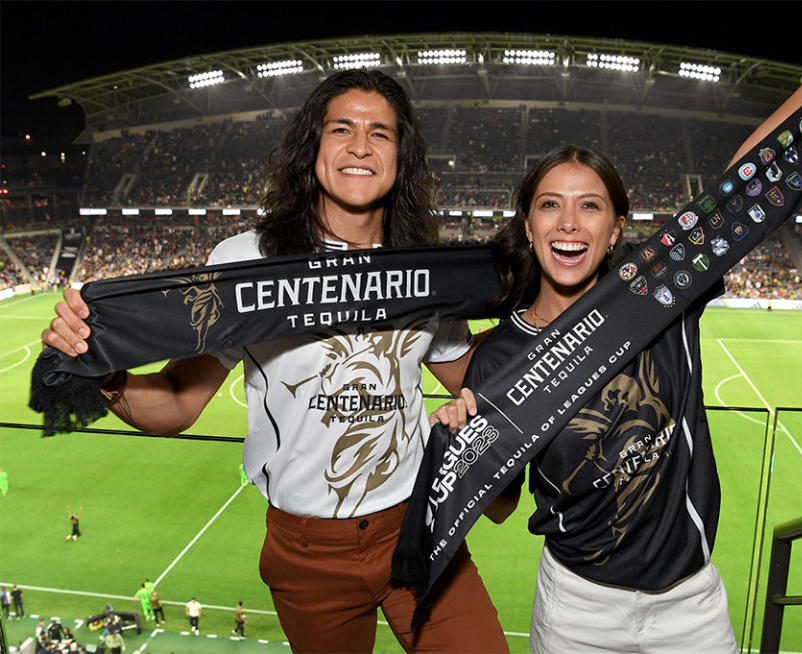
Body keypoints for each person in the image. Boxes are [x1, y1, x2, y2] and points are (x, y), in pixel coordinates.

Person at [430, 21, 802, 654]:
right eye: (550, 205)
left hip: (691, 606)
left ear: (615, 228)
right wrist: (457, 445)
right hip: (576, 608)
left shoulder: (657, 293)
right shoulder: (497, 355)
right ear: (528, 225)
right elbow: (498, 506)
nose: (569, 222)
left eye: (590, 206)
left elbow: (743, 188)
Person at [41, 68, 507, 654]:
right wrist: (103, 368)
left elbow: (470, 374)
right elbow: (179, 405)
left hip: (419, 525)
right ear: (312, 146)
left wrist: (547, 319)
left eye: (381, 133)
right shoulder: (246, 261)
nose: (360, 146)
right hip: (307, 553)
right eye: (342, 129)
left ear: (402, 156)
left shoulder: (422, 266)